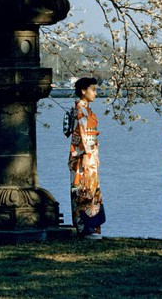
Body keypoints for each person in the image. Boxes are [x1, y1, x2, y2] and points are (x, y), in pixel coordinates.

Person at [67, 77, 105, 239]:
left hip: (90, 154)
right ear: (84, 91)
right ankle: (85, 227)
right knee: (83, 188)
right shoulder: (80, 110)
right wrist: (83, 154)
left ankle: (92, 226)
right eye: (93, 90)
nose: (96, 93)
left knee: (92, 188)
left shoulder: (87, 110)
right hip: (83, 155)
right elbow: (80, 134)